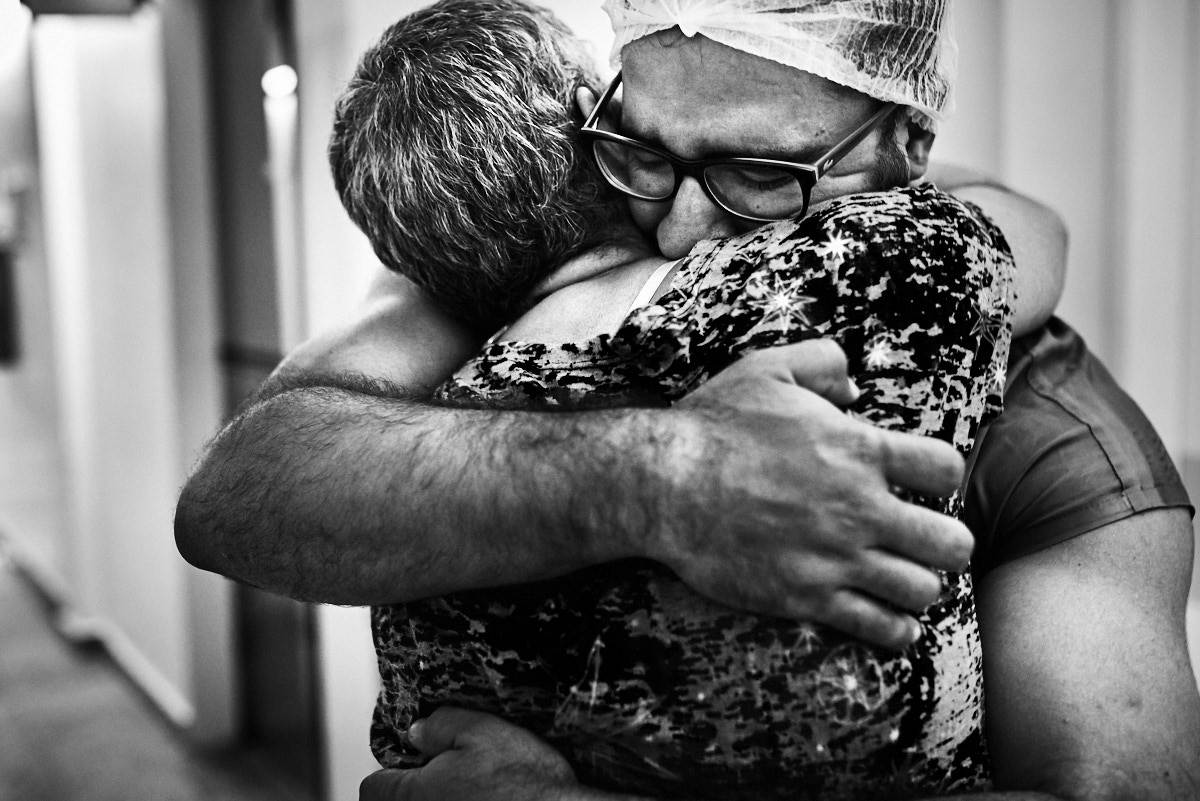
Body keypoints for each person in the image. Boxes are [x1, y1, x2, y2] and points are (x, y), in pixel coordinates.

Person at [174, 1, 1200, 799]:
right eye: (643, 154)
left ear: (905, 152)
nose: (677, 228)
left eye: (757, 174)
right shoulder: (537, 255)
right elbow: (238, 492)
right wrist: (654, 475)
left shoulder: (1052, 419)